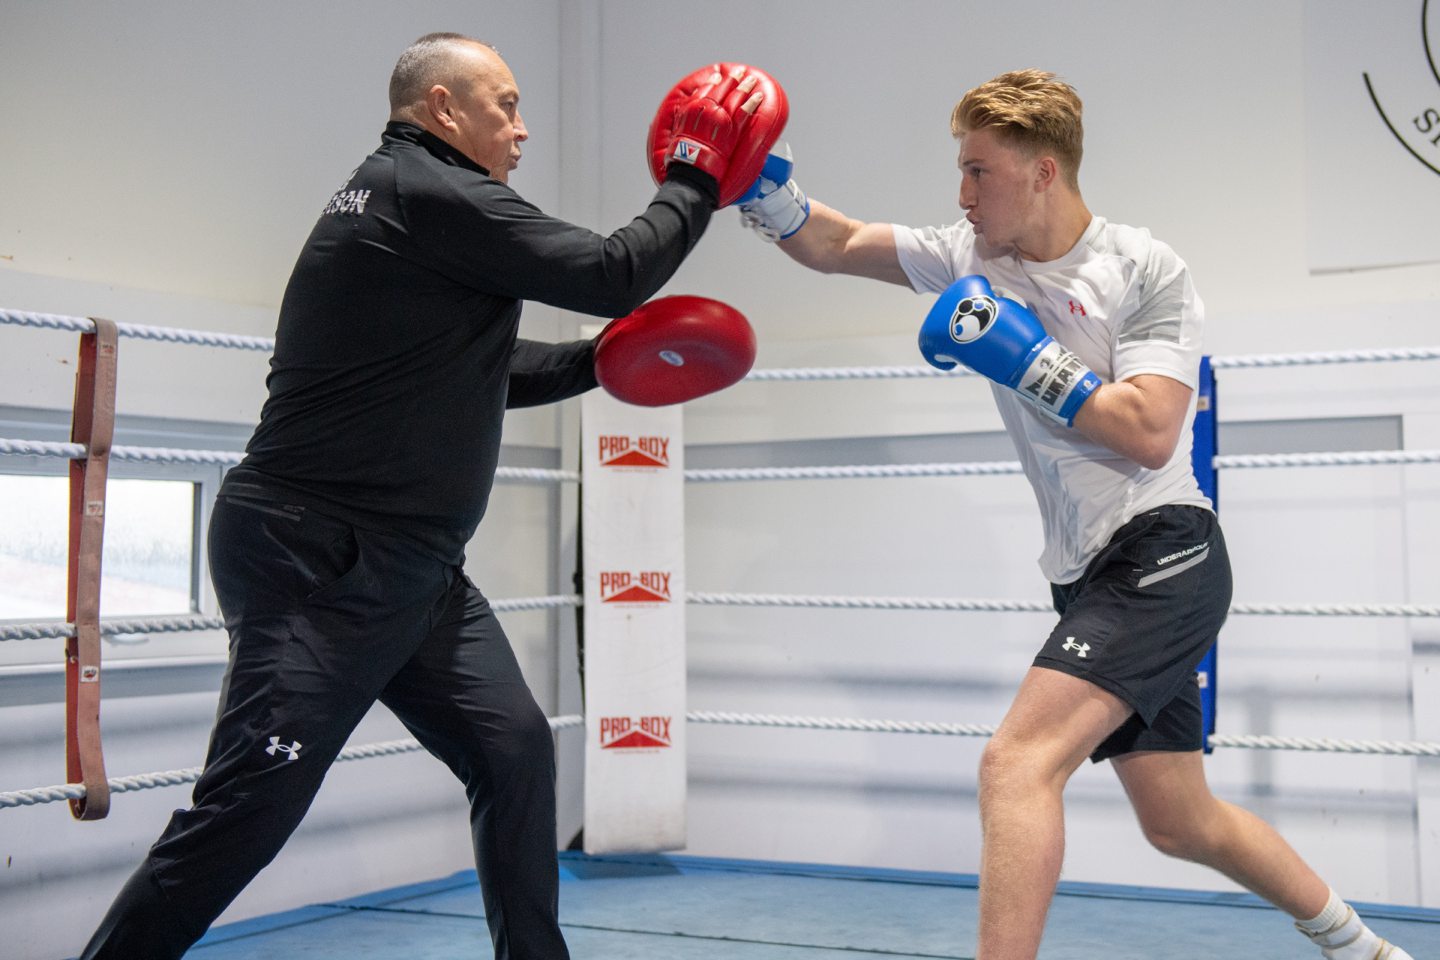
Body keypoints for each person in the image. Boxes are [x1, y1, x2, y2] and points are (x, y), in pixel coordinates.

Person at [80, 33, 771, 960]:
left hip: (414, 570)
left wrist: (605, 366)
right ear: (443, 108)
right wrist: (695, 173)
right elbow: (615, 272)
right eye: (506, 107)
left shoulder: (415, 204)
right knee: (247, 810)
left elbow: (468, 371)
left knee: (515, 753)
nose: (522, 131)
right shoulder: (428, 191)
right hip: (316, 560)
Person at [738, 68, 1412, 960]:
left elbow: (1150, 429)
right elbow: (840, 243)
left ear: (1044, 172)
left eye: (980, 172)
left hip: (1164, 551)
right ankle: (1363, 947)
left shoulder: (1142, 267)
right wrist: (762, 192)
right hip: (1086, 572)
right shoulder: (968, 254)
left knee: (1015, 764)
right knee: (1180, 821)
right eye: (962, 171)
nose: (962, 194)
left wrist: (1027, 359)